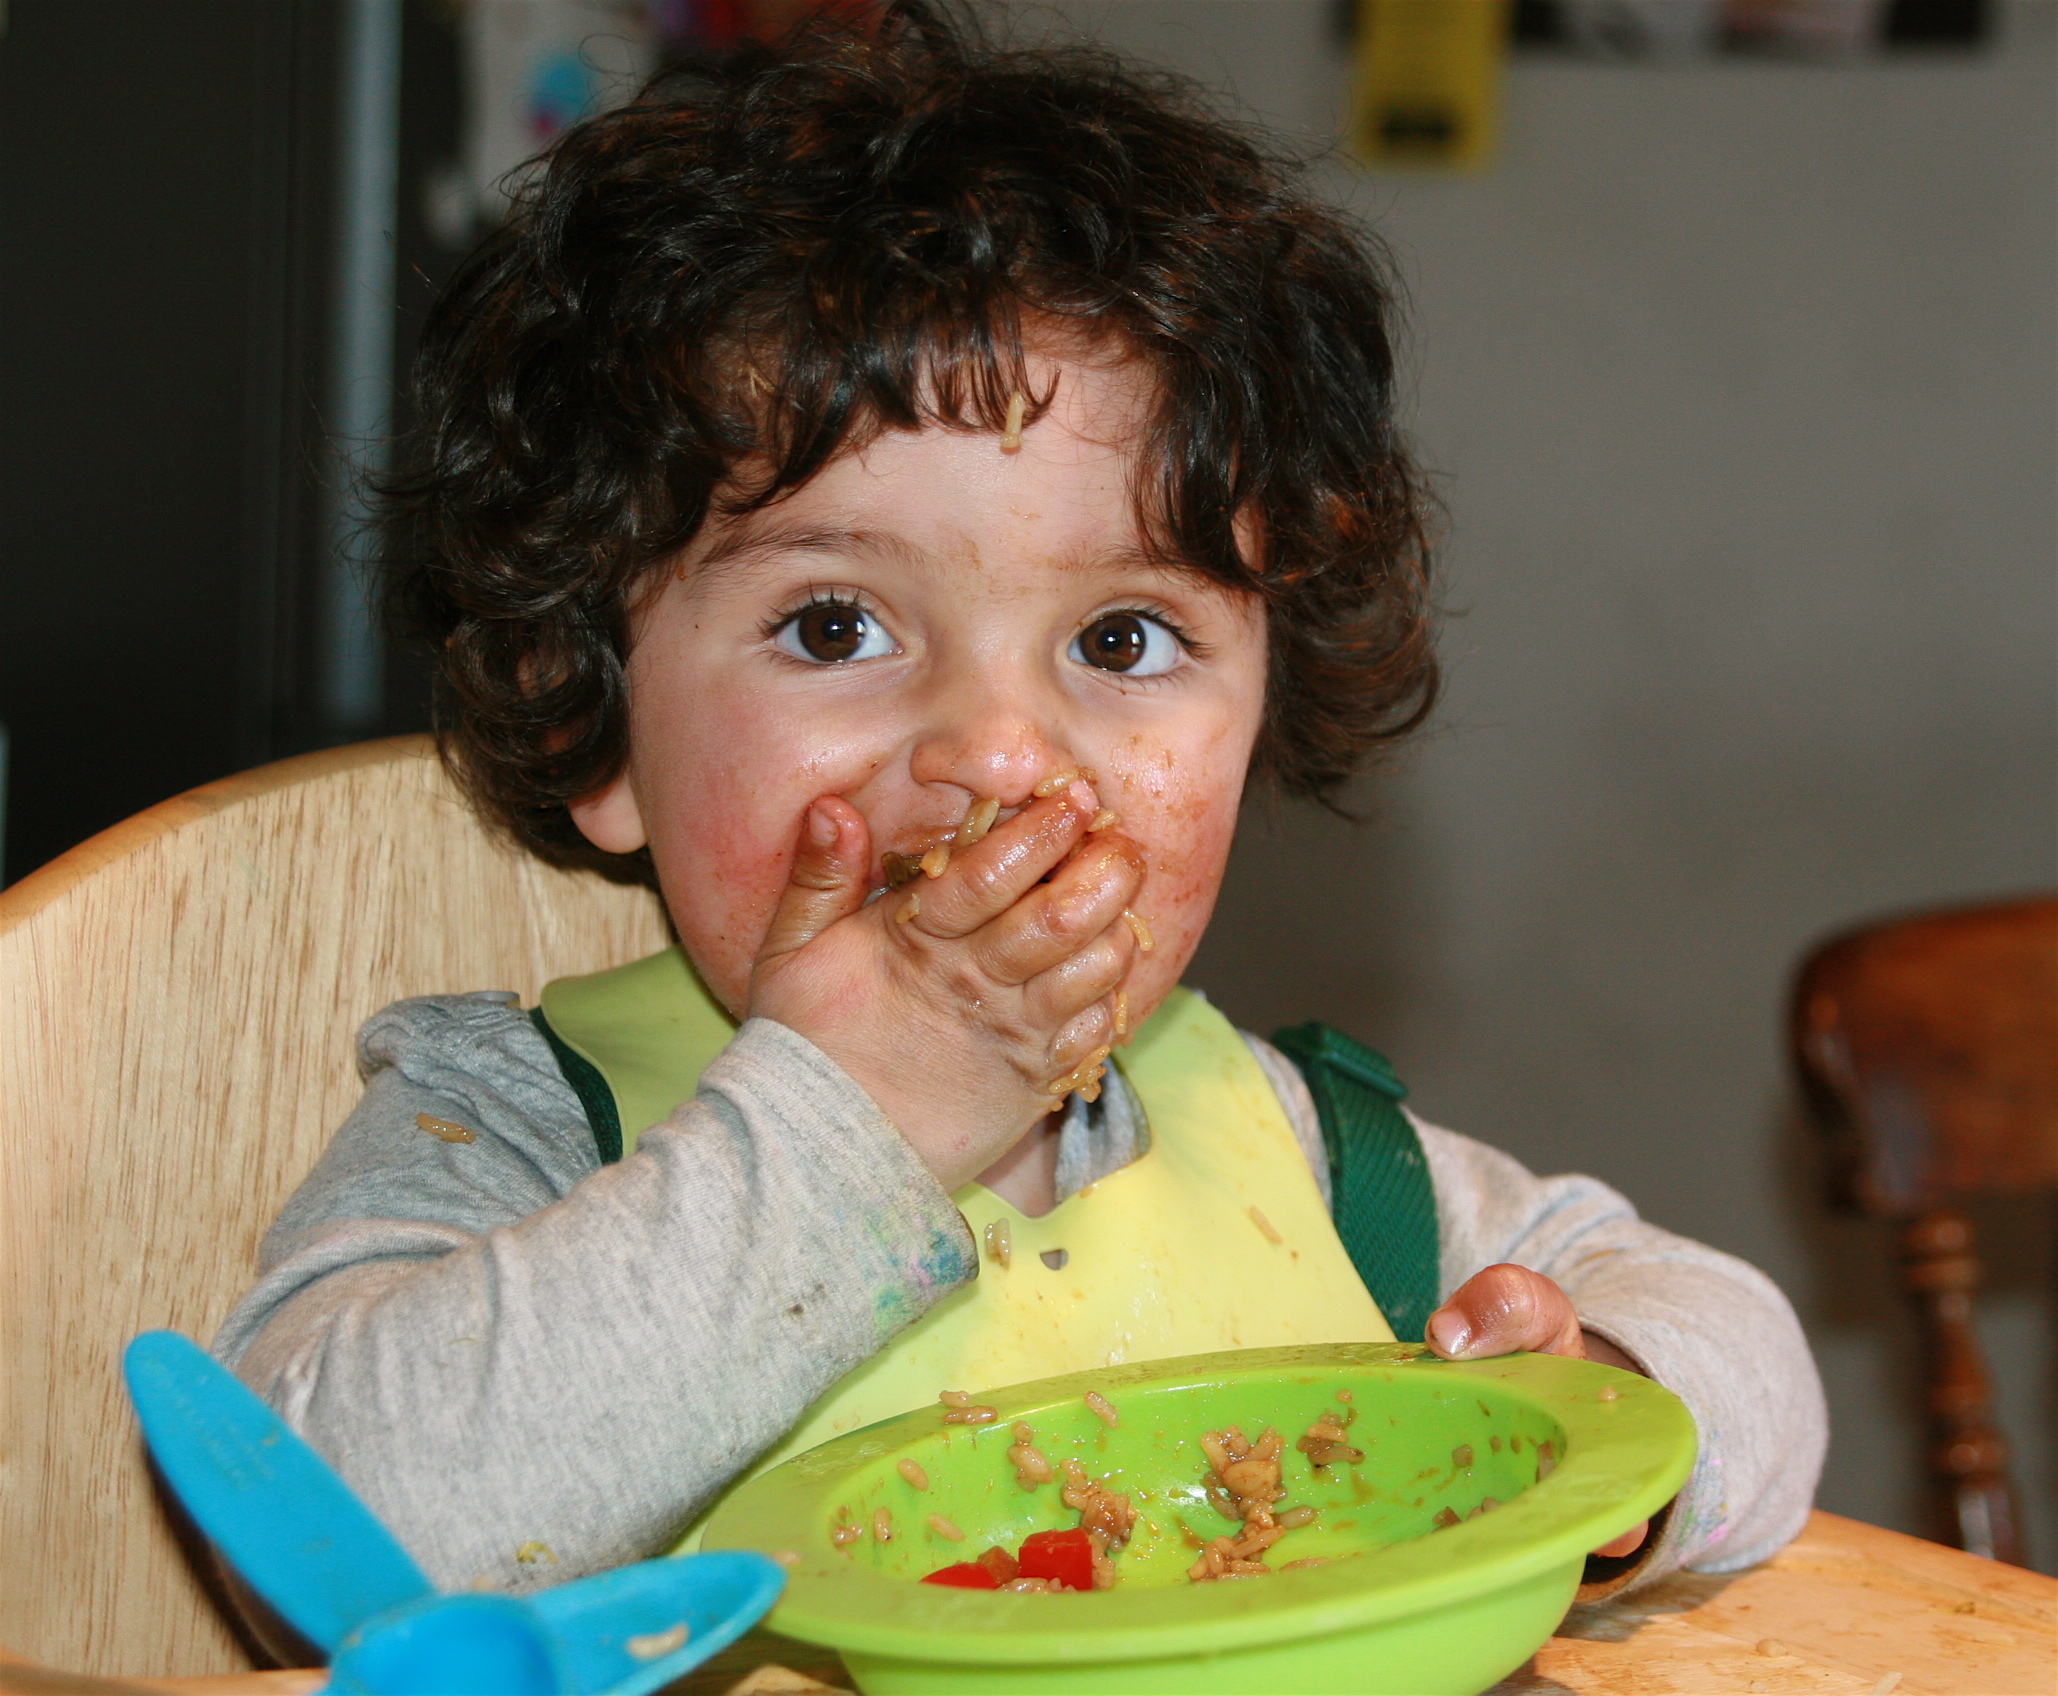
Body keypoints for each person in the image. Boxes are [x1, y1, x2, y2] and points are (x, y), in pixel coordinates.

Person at [215, 1, 1823, 1603]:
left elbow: (1739, 1348)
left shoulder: (1290, 1152)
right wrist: (859, 1121)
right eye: (834, 625)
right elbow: (331, 1537)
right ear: (594, 725)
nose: (996, 751)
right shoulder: (521, 1133)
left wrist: (1596, 1400)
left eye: (1121, 640)